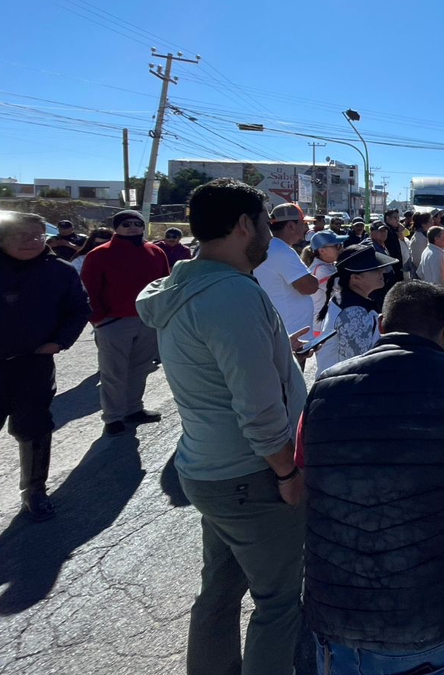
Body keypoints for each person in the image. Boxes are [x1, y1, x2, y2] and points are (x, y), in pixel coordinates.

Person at [298, 280, 444, 673]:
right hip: (435, 620)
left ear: (380, 323)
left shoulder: (325, 388)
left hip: (338, 618)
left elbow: (304, 476)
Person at [136, 178, 308, 675]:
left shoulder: (186, 283)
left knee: (218, 592)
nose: (269, 239)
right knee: (279, 603)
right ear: (241, 225)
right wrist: (286, 472)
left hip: (209, 469)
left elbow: (223, 367)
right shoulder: (231, 294)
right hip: (251, 476)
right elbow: (257, 409)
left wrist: (282, 356)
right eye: (264, 227)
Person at [0, 212, 90, 519]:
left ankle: (34, 491)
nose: (31, 242)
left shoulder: (60, 271)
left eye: (37, 236)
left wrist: (59, 342)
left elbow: (79, 309)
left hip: (33, 365)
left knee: (35, 428)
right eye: (21, 236)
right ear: (0, 239)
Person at [79, 209, 171, 436]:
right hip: (114, 322)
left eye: (137, 223)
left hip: (147, 320)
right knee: (113, 372)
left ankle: (133, 409)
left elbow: (164, 284)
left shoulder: (156, 251)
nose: (132, 227)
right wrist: (99, 320)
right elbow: (90, 289)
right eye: (126, 223)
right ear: (116, 227)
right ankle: (112, 417)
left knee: (141, 368)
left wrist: (161, 314)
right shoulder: (99, 254)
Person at [313, 243, 398, 376]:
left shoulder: (347, 300)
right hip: (343, 391)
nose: (382, 272)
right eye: (375, 269)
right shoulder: (353, 313)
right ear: (355, 278)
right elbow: (361, 367)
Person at [254, 202, 318, 339]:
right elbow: (309, 287)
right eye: (303, 223)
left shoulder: (270, 247)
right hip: (291, 335)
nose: (306, 228)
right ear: (290, 225)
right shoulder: (281, 250)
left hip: (281, 331)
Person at [308, 230, 345, 333]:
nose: (341, 248)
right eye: (337, 246)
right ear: (322, 251)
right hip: (321, 327)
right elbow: (344, 290)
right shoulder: (321, 270)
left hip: (326, 323)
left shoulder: (328, 265)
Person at [419, 225, 444, 292]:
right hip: (441, 292)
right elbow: (438, 279)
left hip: (431, 289)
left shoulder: (427, 250)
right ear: (436, 239)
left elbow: (420, 273)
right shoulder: (436, 254)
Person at [409, 212, 430, 279]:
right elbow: (417, 260)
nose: (433, 223)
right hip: (420, 275)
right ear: (423, 224)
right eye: (430, 221)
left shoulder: (424, 235)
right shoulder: (418, 239)